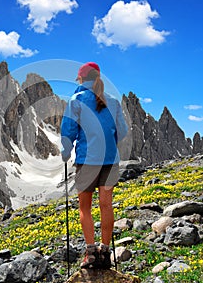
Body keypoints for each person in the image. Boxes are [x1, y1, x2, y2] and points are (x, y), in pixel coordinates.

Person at [60, 62, 128, 269]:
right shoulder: (114, 102)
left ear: (81, 79)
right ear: (97, 78)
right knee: (106, 205)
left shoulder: (76, 100)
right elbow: (122, 131)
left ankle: (90, 254)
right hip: (110, 162)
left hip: (87, 162)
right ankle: (105, 253)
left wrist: (65, 152)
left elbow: (68, 131)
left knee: (85, 208)